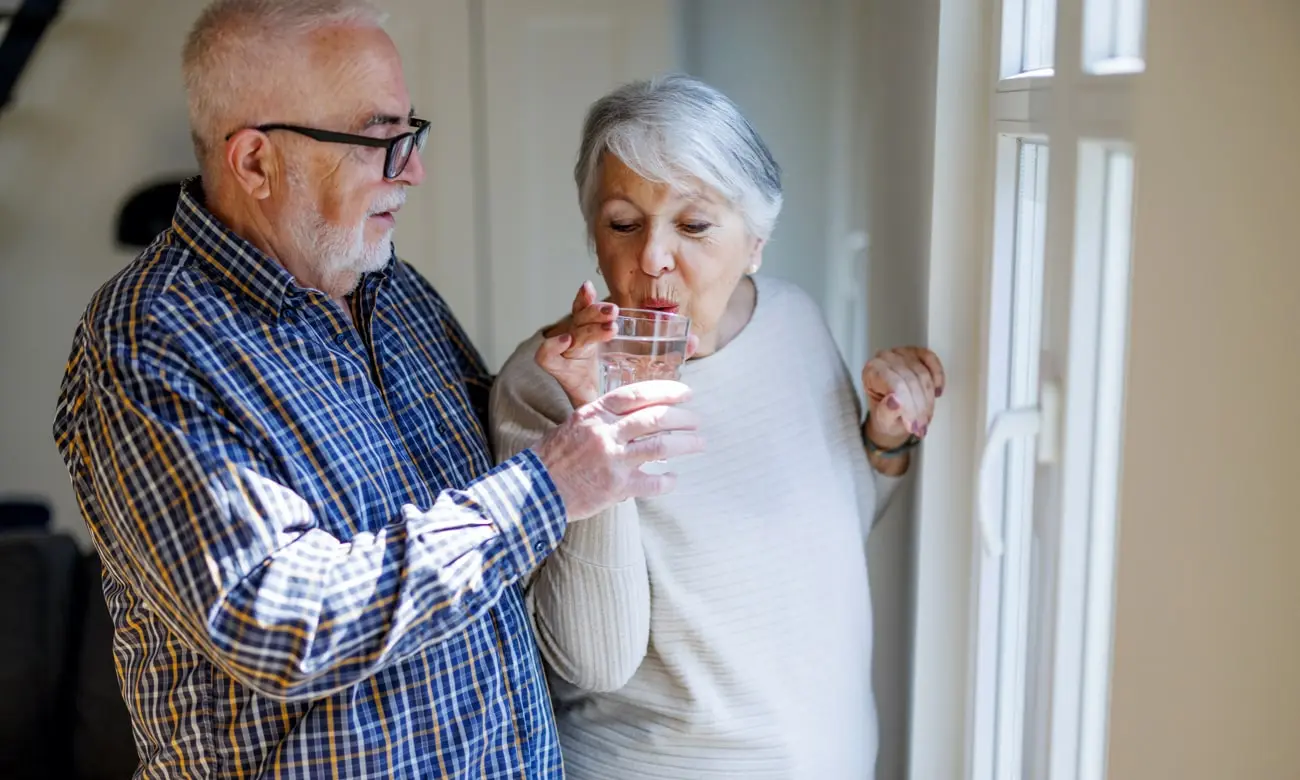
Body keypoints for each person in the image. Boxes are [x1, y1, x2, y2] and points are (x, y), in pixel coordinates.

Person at [51, 2, 703, 777]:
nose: (414, 167)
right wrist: (550, 486)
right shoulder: (149, 340)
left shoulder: (389, 287)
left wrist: (552, 379)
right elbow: (282, 622)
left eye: (410, 130)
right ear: (255, 162)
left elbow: (481, 507)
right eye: (376, 136)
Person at [490, 75, 946, 779]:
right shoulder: (543, 384)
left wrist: (885, 437)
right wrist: (600, 424)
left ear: (756, 240)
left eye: (694, 225)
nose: (652, 258)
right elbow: (594, 659)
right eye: (621, 223)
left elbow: (828, 539)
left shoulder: (791, 321)